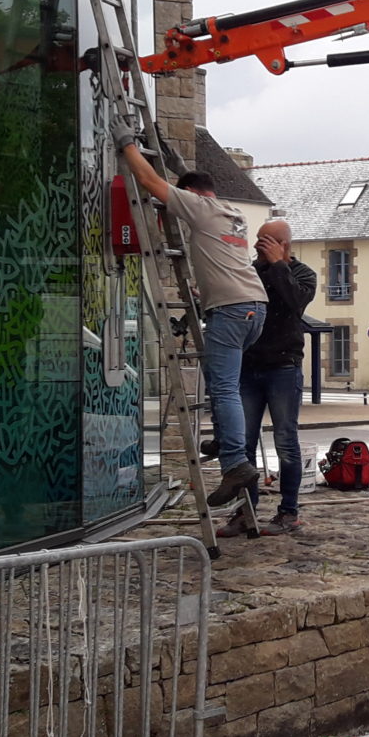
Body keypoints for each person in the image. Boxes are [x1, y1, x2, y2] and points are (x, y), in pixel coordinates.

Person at [111, 122, 266, 508]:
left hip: (230, 310)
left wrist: (127, 142)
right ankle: (226, 442)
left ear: (193, 194)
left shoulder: (197, 206)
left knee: (224, 388)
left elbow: (148, 179)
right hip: (253, 307)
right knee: (224, 384)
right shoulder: (231, 212)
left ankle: (235, 464)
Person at [240, 219, 317, 535]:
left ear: (284, 245)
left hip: (283, 366)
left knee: (285, 440)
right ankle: (245, 511)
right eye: (257, 239)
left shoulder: (302, 274)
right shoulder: (251, 271)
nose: (259, 245)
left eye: (266, 240)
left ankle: (289, 512)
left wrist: (277, 266)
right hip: (249, 365)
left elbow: (294, 303)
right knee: (242, 442)